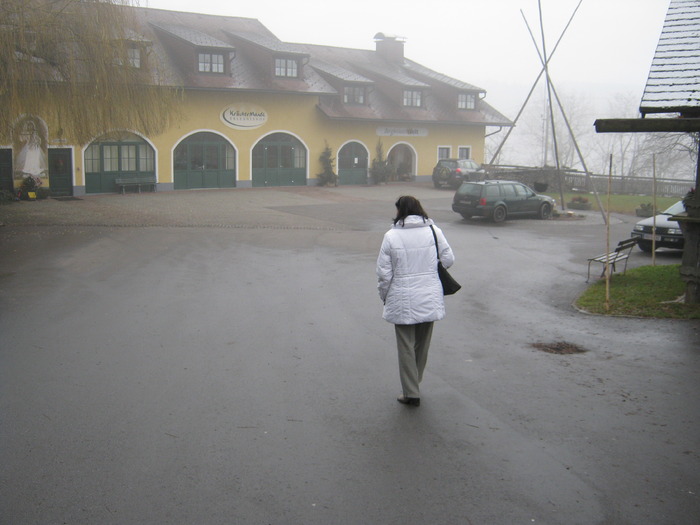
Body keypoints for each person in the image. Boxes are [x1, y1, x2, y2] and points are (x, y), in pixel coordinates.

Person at [376, 195, 455, 407]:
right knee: (422, 345)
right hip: (429, 296)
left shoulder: (391, 236)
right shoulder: (433, 231)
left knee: (405, 347)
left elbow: (384, 274)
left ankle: (411, 392)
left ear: (400, 211)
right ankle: (415, 383)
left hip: (401, 299)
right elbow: (448, 259)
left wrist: (384, 296)